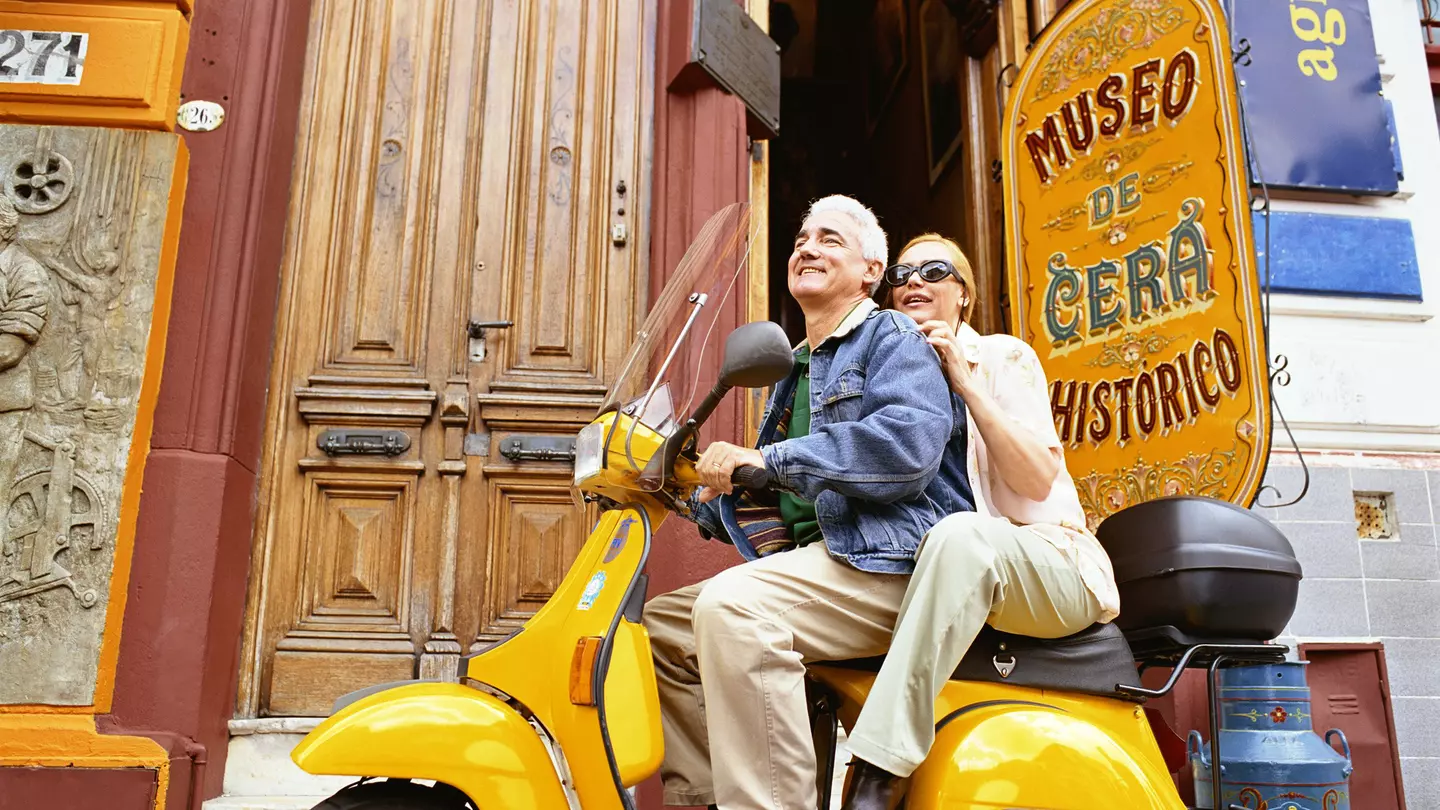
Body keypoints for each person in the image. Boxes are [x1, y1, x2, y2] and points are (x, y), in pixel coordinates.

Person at [643, 197, 976, 810]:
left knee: (734, 608)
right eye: (800, 239)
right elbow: (772, 494)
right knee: (661, 625)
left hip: (891, 563)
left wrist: (769, 460)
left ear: (872, 271)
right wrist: (679, 489)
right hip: (826, 565)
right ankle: (706, 800)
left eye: (829, 240)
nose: (806, 247)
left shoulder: (892, 336)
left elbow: (905, 451)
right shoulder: (794, 367)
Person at [839, 233, 1122, 810]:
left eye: (934, 270)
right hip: (951, 567)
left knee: (959, 535)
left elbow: (1036, 479)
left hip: (1049, 558)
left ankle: (878, 764)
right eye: (901, 273)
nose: (913, 281)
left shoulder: (1002, 356)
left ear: (962, 294)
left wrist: (964, 381)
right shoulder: (883, 375)